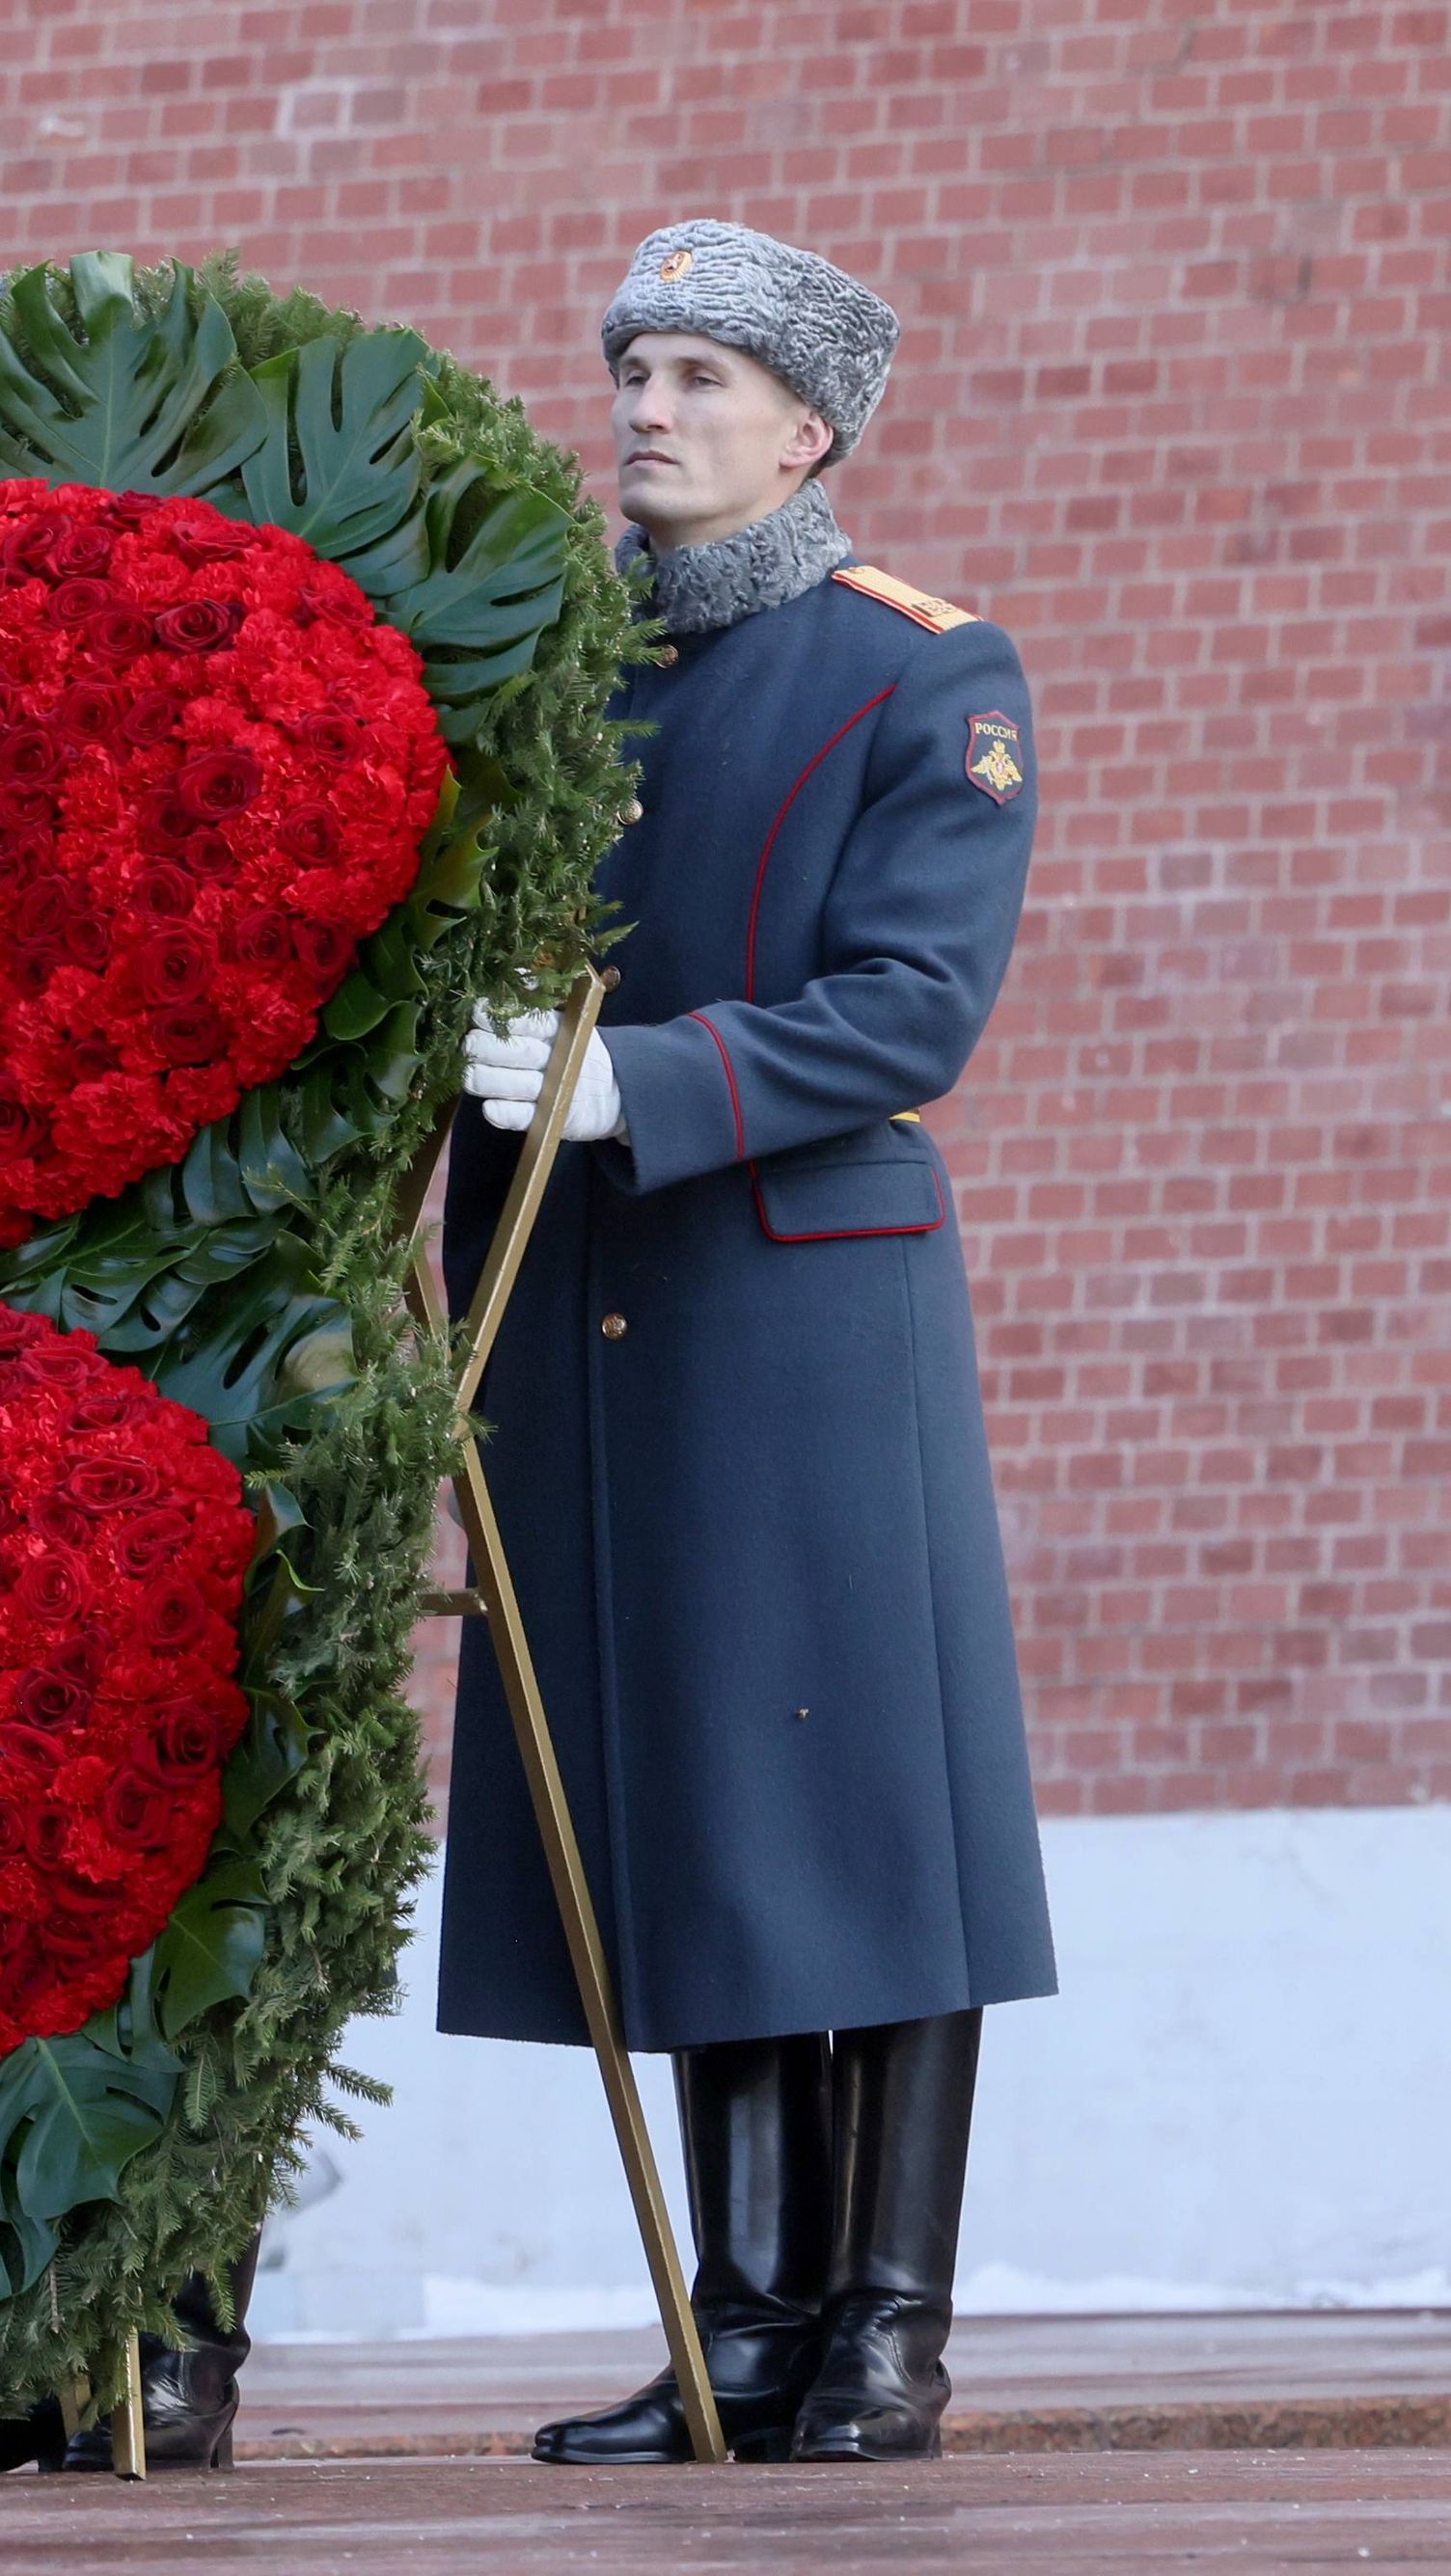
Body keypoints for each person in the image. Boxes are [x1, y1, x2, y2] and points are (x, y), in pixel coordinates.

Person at [442, 221, 1054, 2465]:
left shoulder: (919, 667)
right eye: (631, 370)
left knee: (866, 1816)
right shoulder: (557, 678)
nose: (644, 408)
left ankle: (880, 2329)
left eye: (700, 377)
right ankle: (744, 2324)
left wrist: (635, 1081)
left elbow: (911, 1005)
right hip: (590, 1311)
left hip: (799, 1307)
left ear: (804, 429)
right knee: (691, 1799)